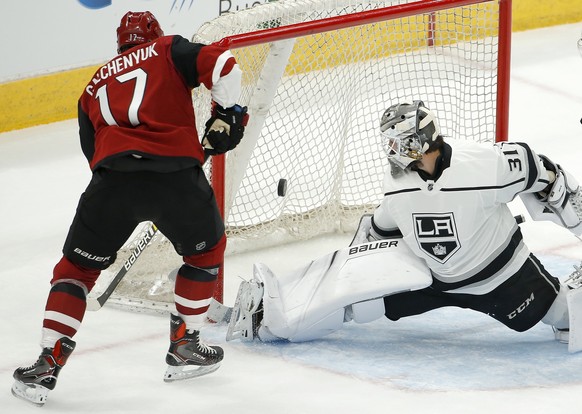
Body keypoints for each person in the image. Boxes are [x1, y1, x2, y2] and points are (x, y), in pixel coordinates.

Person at [12, 11, 248, 406]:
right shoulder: (168, 48)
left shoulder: (92, 86)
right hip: (176, 178)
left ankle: (46, 364)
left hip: (112, 182)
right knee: (206, 253)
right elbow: (225, 65)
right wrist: (225, 116)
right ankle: (185, 345)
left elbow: (94, 153)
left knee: (76, 270)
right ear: (153, 35)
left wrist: (131, 182)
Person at [226, 100, 582, 352]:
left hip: (501, 276)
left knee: (566, 319)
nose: (390, 149)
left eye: (395, 141)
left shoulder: (484, 163)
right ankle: (271, 316)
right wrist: (351, 278)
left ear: (416, 142)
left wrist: (568, 210)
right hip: (432, 280)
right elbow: (378, 231)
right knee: (363, 303)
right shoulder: (398, 185)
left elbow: (543, 172)